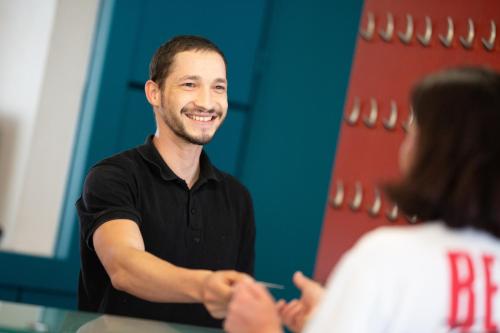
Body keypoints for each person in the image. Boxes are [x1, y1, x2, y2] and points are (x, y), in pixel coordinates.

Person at [224, 67, 500, 333]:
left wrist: (263, 328)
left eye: (413, 131)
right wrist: (330, 317)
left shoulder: (388, 257)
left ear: (434, 151)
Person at [76, 35, 255, 328]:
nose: (207, 102)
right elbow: (124, 267)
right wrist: (206, 285)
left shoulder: (237, 197)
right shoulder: (113, 177)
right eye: (189, 84)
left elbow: (235, 306)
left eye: (218, 87)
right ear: (154, 93)